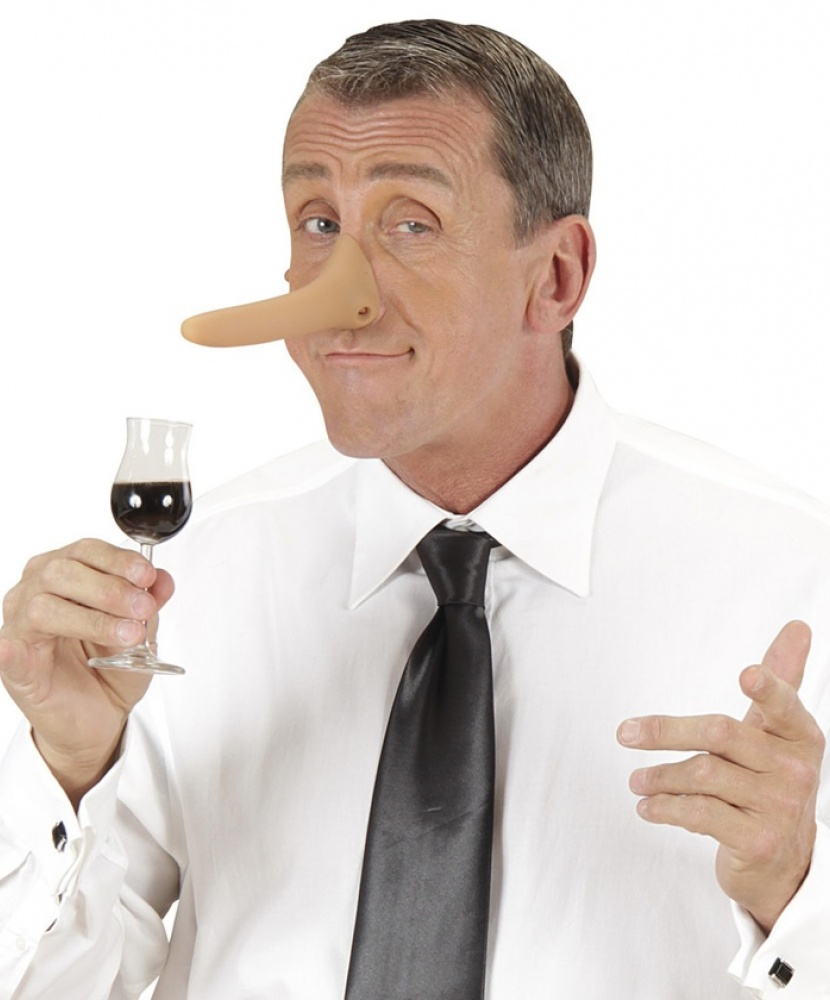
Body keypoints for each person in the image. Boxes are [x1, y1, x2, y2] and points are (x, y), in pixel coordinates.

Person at [1, 18, 829, 1000]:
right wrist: (66, 768)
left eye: (410, 224)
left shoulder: (792, 581)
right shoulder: (189, 583)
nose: (338, 294)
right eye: (319, 223)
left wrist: (793, 895)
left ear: (555, 277)